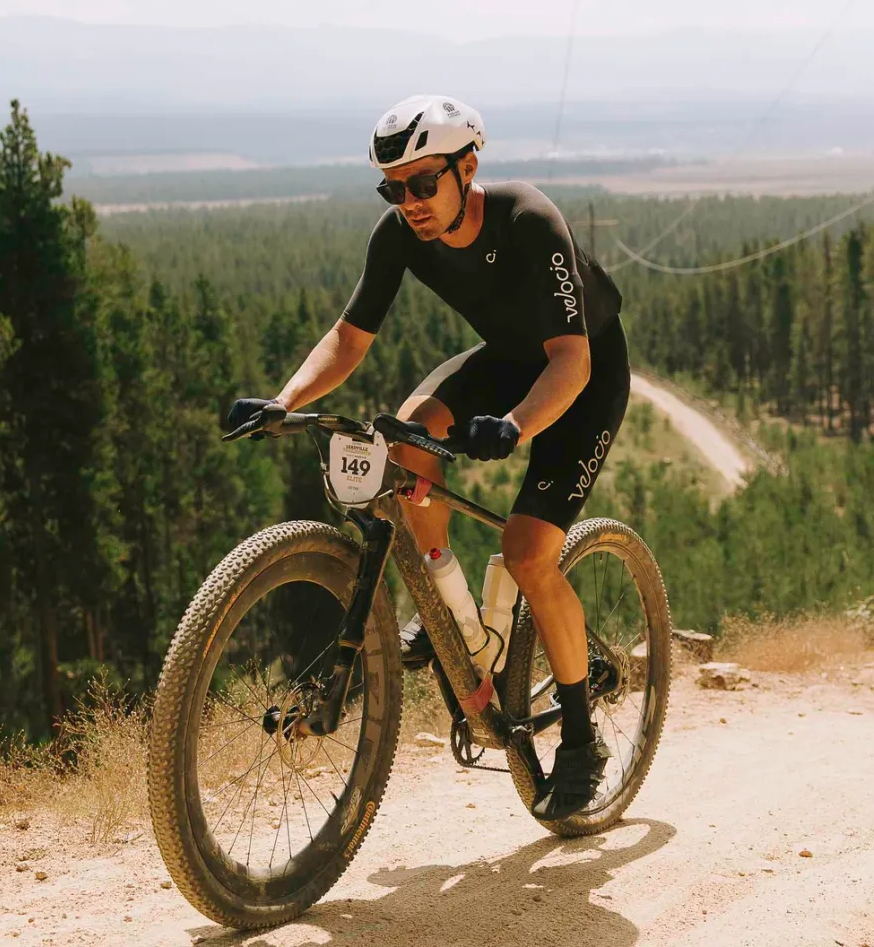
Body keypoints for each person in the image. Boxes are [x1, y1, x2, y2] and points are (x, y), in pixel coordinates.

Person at [225, 94, 629, 820]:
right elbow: (350, 337)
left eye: (421, 182)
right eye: (393, 189)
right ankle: (445, 610)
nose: (408, 202)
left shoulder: (528, 220)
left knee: (529, 552)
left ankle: (579, 739)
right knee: (406, 441)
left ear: (467, 167)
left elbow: (570, 361)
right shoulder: (400, 235)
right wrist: (284, 401)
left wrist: (515, 426)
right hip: (506, 358)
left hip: (581, 370)